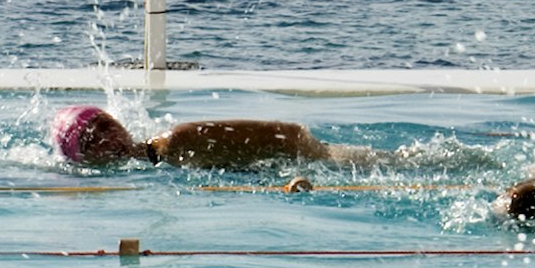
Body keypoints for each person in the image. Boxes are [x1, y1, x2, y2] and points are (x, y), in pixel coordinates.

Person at [49, 104, 358, 175]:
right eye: (89, 142)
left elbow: (288, 135)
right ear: (83, 159)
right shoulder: (156, 160)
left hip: (333, 164)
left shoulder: (178, 140)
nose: (106, 138)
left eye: (104, 125)